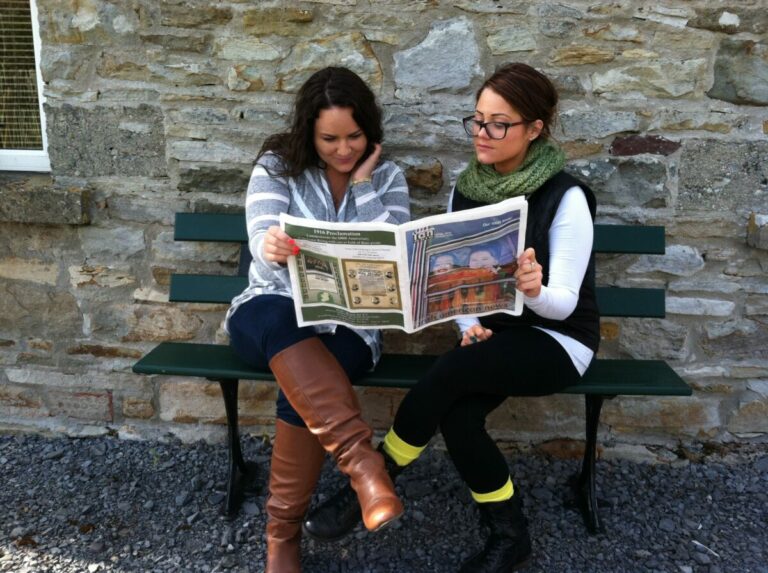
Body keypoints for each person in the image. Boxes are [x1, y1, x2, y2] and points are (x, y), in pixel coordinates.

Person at [303, 62, 599, 573]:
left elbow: (565, 304)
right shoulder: (469, 188)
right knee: (460, 418)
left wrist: (532, 290)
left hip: (557, 339)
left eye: (499, 124)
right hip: (495, 337)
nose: (483, 134)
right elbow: (461, 286)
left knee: (452, 373)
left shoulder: (566, 196)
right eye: (478, 120)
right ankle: (510, 536)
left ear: (535, 129)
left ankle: (376, 476)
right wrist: (469, 325)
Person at [225, 66, 411, 573]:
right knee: (290, 327)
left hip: (349, 324)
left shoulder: (389, 176)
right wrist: (272, 244)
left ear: (368, 130)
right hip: (270, 310)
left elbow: (392, 252)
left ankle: (281, 536)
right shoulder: (277, 166)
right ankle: (364, 467)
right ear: (309, 131)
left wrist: (366, 184)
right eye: (330, 139)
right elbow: (263, 244)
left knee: (304, 380)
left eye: (354, 136)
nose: (344, 149)